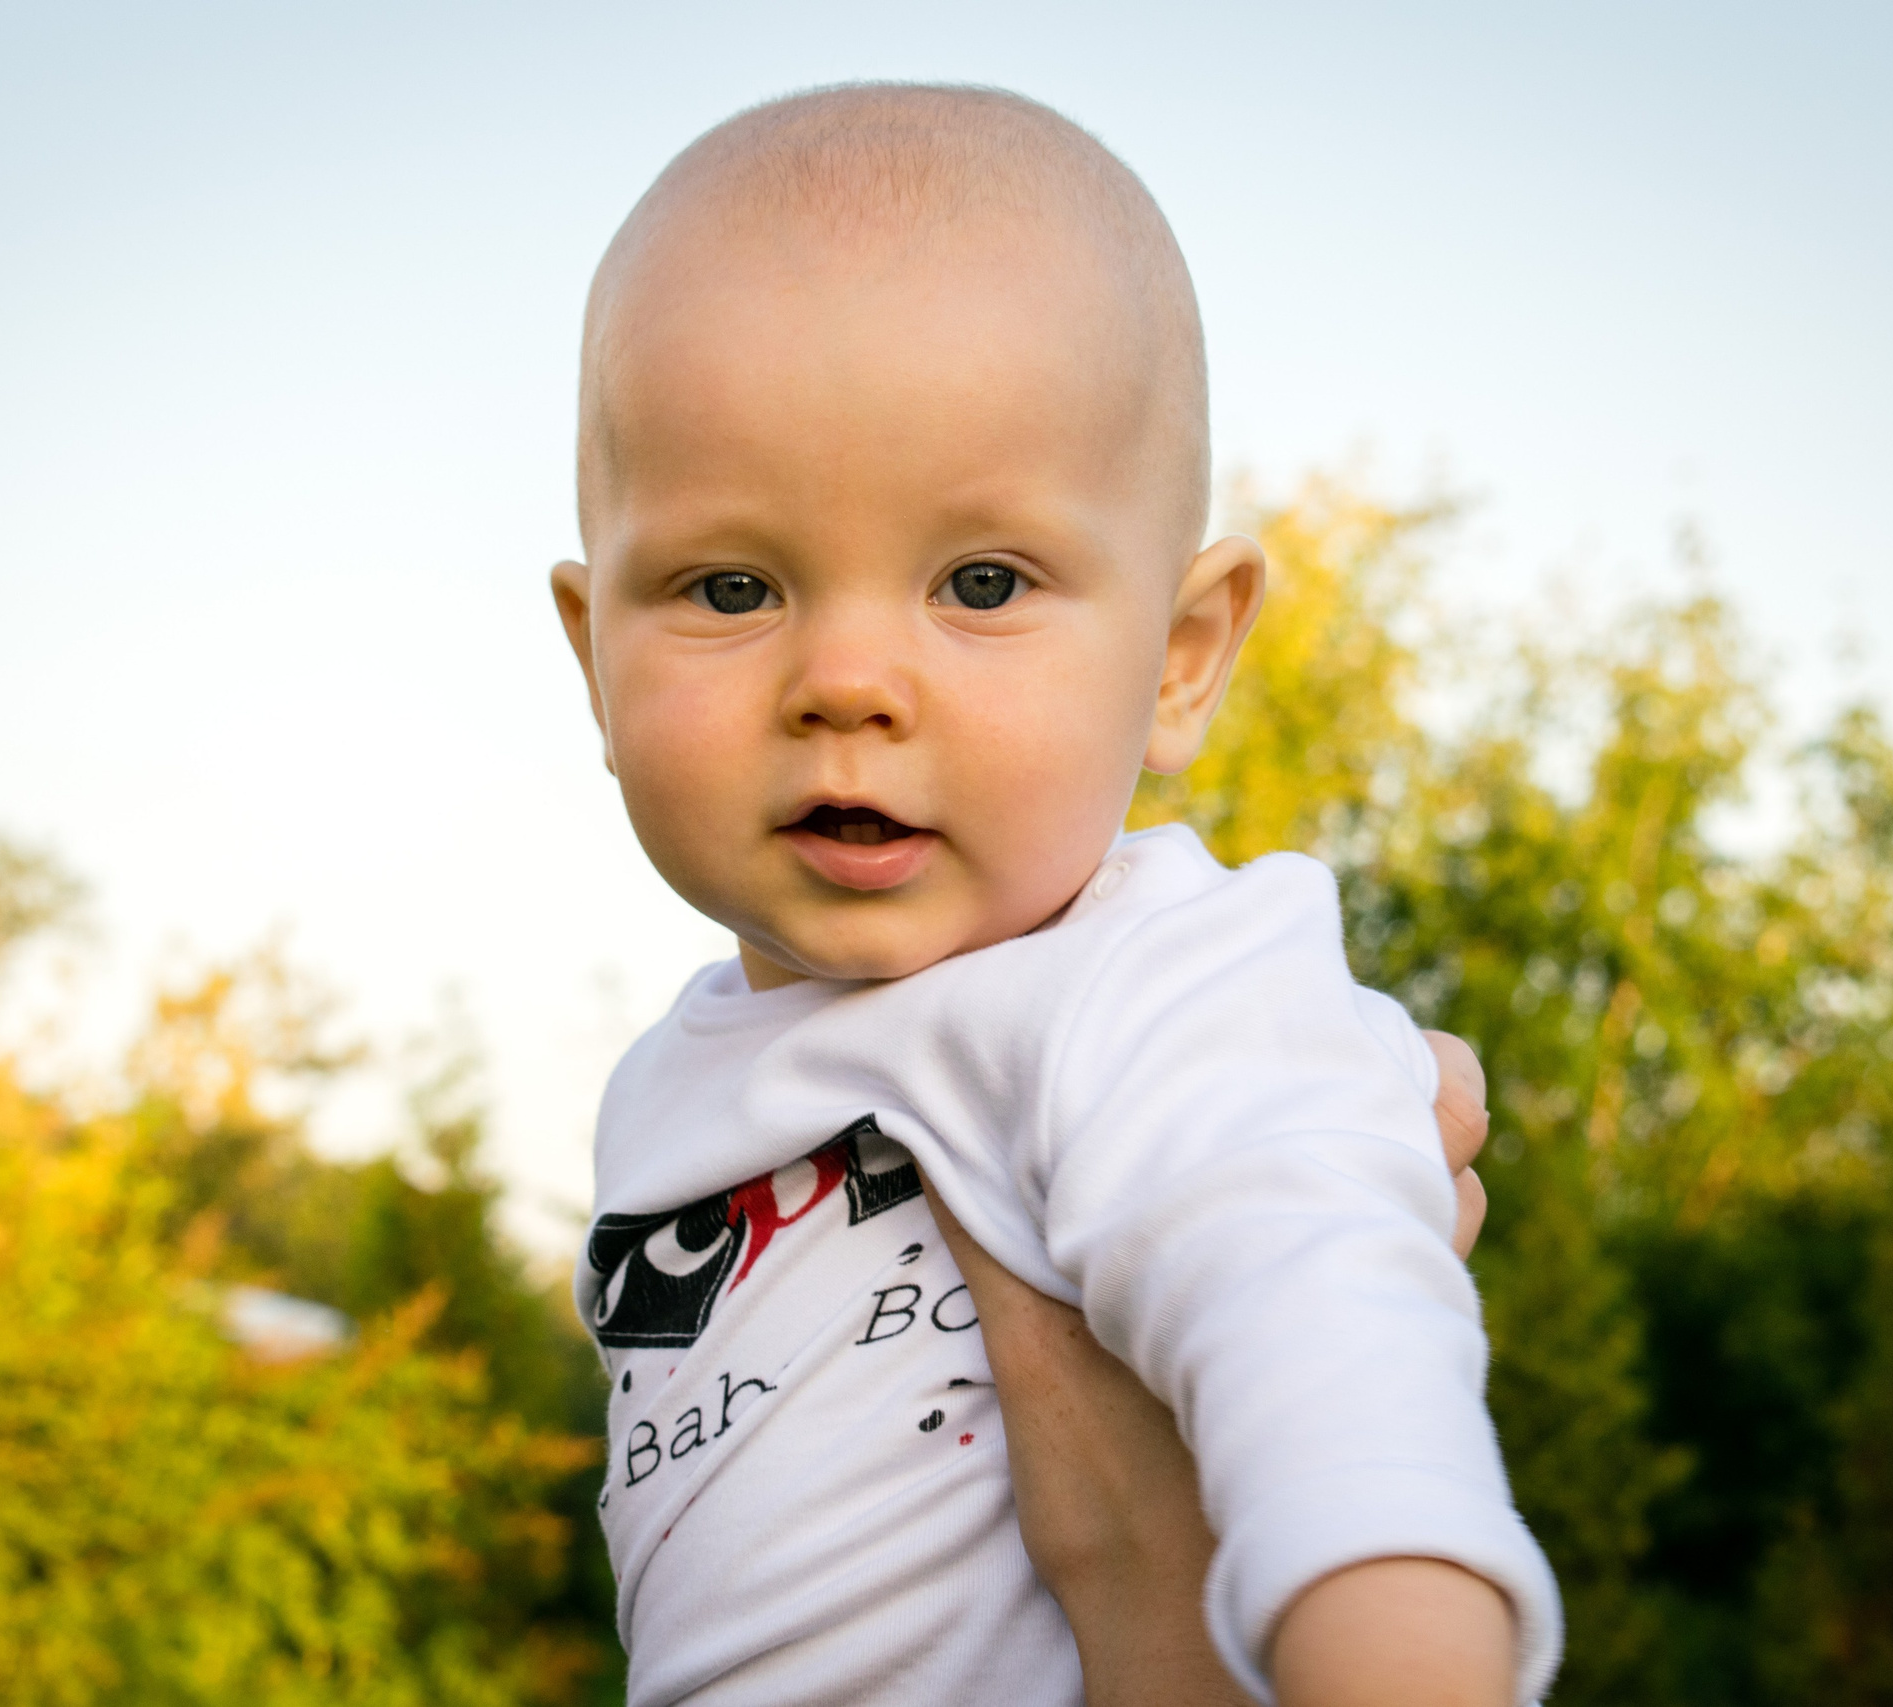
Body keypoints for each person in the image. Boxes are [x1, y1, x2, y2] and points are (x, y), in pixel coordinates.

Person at [551, 83, 1559, 1707]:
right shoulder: (675, 1078)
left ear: (1180, 660)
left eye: (983, 583)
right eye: (734, 587)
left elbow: (1343, 1386)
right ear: (592, 657)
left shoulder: (1158, 984)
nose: (850, 679)